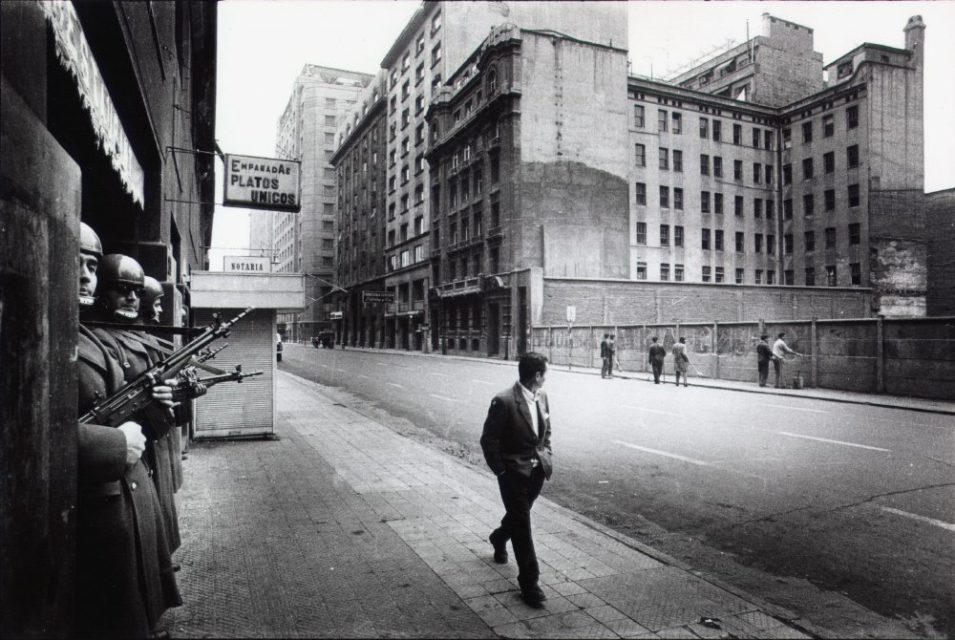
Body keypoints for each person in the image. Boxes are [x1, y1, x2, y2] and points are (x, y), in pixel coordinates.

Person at [76, 224, 180, 638]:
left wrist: (163, 407)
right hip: (95, 507)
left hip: (127, 493)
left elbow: (130, 409)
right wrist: (113, 445)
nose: (85, 275)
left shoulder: (88, 336)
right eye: (76, 263)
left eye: (90, 265)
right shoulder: (80, 334)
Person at [90, 256, 182, 555]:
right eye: (121, 289)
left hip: (140, 452)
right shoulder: (96, 340)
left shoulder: (138, 339)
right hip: (112, 467)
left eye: (137, 292)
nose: (132, 298)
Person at [480, 352, 553, 607]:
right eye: (545, 372)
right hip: (512, 474)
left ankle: (499, 538)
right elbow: (489, 440)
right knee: (522, 525)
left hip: (535, 473)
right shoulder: (504, 401)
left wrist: (547, 454)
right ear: (536, 375)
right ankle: (529, 583)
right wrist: (501, 471)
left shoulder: (542, 396)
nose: (546, 377)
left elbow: (547, 429)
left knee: (517, 517)